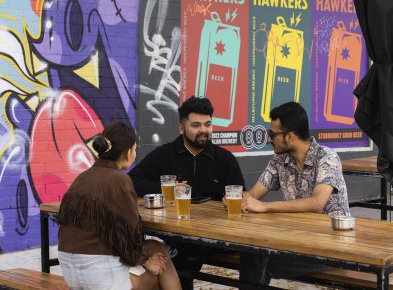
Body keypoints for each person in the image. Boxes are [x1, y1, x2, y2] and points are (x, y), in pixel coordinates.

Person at [129, 96, 245, 289]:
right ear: (181, 129)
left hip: (216, 237)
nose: (203, 131)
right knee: (180, 254)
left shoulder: (225, 159)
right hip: (177, 235)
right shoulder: (165, 154)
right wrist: (165, 190)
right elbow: (131, 181)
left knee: (252, 258)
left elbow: (241, 193)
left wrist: (234, 199)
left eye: (208, 124)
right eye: (196, 125)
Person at [57, 122, 181, 290]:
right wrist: (147, 262)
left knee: (155, 247)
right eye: (135, 149)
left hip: (69, 271)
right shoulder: (120, 180)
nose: (135, 154)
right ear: (129, 152)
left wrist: (147, 258)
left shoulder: (82, 177)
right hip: (97, 275)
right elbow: (129, 235)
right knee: (160, 269)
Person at [238, 101, 350, 285]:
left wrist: (265, 207)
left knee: (260, 259)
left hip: (332, 245)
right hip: (298, 239)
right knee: (252, 252)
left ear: (290, 136)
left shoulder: (327, 157)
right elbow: (253, 195)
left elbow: (317, 203)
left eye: (272, 134)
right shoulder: (280, 160)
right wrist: (235, 198)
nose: (269, 139)